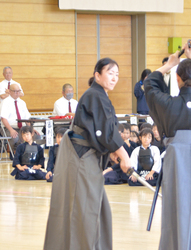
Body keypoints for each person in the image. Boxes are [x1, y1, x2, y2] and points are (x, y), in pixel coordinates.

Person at [44, 58, 131, 250]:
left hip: (86, 155)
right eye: (110, 73)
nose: (115, 77)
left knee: (97, 208)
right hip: (81, 157)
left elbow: (99, 131)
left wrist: (111, 152)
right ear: (97, 75)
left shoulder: (99, 96)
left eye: (117, 74)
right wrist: (123, 155)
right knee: (82, 209)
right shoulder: (95, 95)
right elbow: (106, 132)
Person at [144, 44, 191, 250]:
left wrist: (169, 65)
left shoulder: (167, 103)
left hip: (177, 156)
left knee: (178, 209)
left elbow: (149, 84)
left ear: (177, 80)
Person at [1, 83, 40, 152]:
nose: (17, 93)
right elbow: (3, 118)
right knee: (16, 137)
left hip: (22, 128)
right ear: (10, 91)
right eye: (15, 91)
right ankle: (14, 153)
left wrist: (32, 129)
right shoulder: (5, 102)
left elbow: (26, 119)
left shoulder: (22, 103)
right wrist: (11, 130)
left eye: (19, 91)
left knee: (37, 136)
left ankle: (30, 153)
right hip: (9, 127)